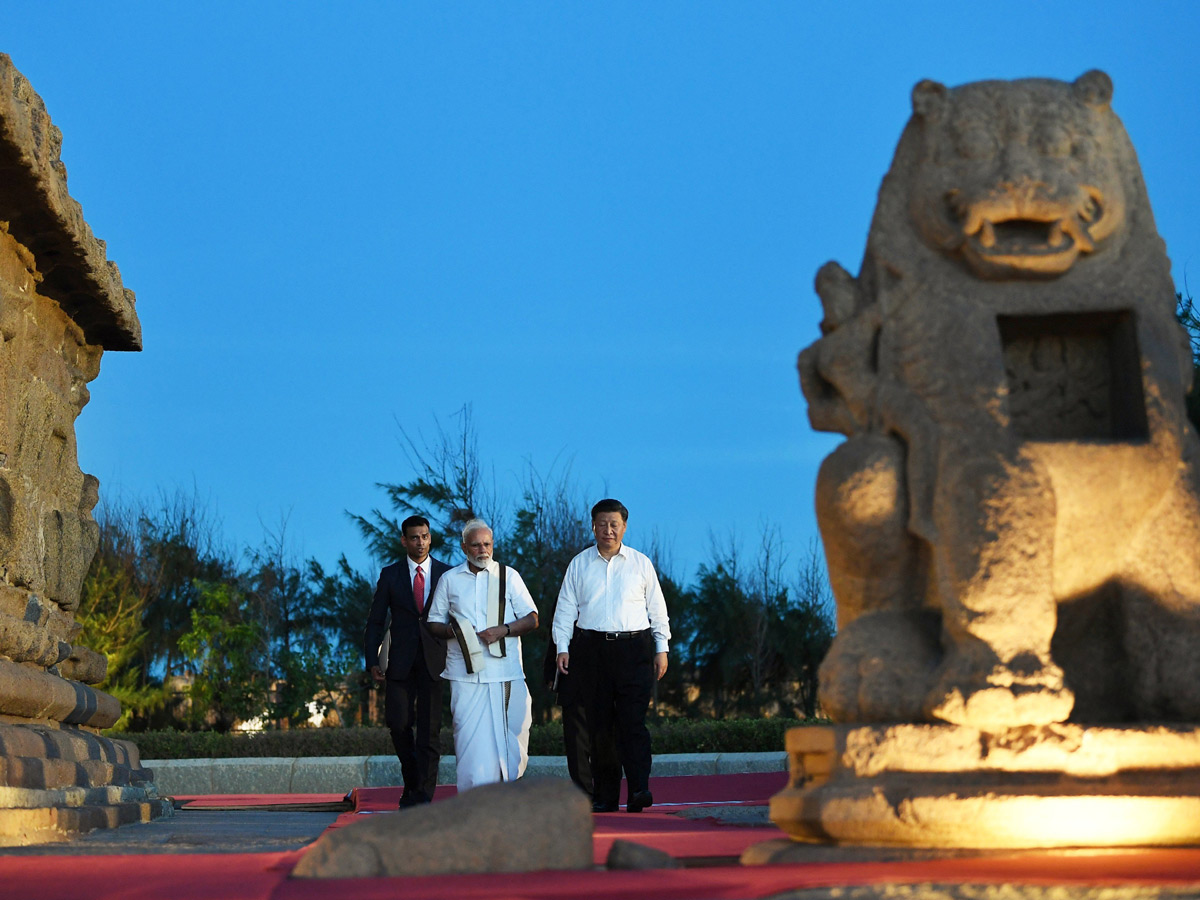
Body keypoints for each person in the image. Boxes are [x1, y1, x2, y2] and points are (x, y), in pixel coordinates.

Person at [553, 499, 670, 813]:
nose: (608, 530)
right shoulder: (579, 564)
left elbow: (657, 610)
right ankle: (605, 796)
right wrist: (562, 648)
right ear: (593, 526)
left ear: (625, 527)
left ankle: (639, 790)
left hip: (634, 650)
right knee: (600, 727)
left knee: (633, 723)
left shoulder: (640, 563)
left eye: (614, 524)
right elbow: (564, 610)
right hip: (592, 651)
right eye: (602, 524)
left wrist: (662, 649)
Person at [426, 518, 539, 792]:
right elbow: (433, 623)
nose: (482, 550)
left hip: (505, 672)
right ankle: (474, 800)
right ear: (464, 546)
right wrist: (457, 632)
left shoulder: (509, 576)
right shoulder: (449, 579)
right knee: (469, 740)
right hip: (465, 674)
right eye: (475, 545)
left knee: (515, 733)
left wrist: (503, 630)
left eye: (487, 544)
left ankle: (507, 794)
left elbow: (533, 618)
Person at [363, 515, 450, 808]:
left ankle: (422, 796)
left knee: (429, 732)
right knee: (398, 725)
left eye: (425, 536)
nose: (421, 542)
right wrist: (371, 659)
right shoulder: (391, 574)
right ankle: (413, 782)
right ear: (404, 541)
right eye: (414, 537)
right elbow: (375, 621)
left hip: (435, 661)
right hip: (399, 662)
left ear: (430, 538)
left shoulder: (446, 574)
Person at [541, 626, 592, 801]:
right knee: (576, 739)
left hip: (605, 672)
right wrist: (550, 670)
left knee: (605, 736)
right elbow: (556, 630)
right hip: (571, 672)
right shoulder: (564, 597)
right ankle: (583, 792)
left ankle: (606, 793)